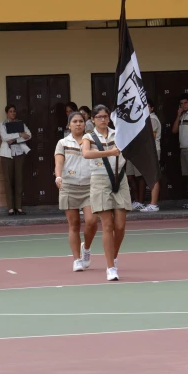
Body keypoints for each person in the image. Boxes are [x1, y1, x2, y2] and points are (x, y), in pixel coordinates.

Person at [82, 105, 132, 282]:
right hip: (100, 181)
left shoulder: (117, 133)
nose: (103, 120)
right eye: (99, 117)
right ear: (93, 119)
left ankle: (113, 256)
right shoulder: (89, 137)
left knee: (120, 226)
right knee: (108, 225)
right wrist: (109, 152)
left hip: (119, 178)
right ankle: (110, 267)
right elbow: (86, 153)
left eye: (105, 116)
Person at [54, 111, 98, 272]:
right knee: (74, 224)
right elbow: (59, 163)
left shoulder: (92, 140)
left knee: (92, 221)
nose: (78, 124)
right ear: (69, 125)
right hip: (69, 186)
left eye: (81, 121)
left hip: (90, 186)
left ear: (85, 124)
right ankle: (77, 259)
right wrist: (58, 177)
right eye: (75, 121)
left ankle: (86, 248)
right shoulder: (63, 142)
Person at [0, 104, 32, 216]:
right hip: (7, 155)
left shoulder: (20, 123)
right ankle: (11, 208)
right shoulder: (2, 124)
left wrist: (14, 139)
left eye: (14, 111)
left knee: (19, 180)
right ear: (7, 113)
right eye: (10, 111)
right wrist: (19, 134)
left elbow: (29, 135)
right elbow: (5, 137)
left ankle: (19, 207)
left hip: (19, 153)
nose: (13, 113)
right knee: (8, 181)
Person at [139, 102, 163, 212]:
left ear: (152, 108)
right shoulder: (146, 119)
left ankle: (154, 204)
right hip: (148, 151)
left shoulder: (152, 119)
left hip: (152, 151)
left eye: (147, 107)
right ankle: (152, 203)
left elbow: (150, 138)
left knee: (153, 176)